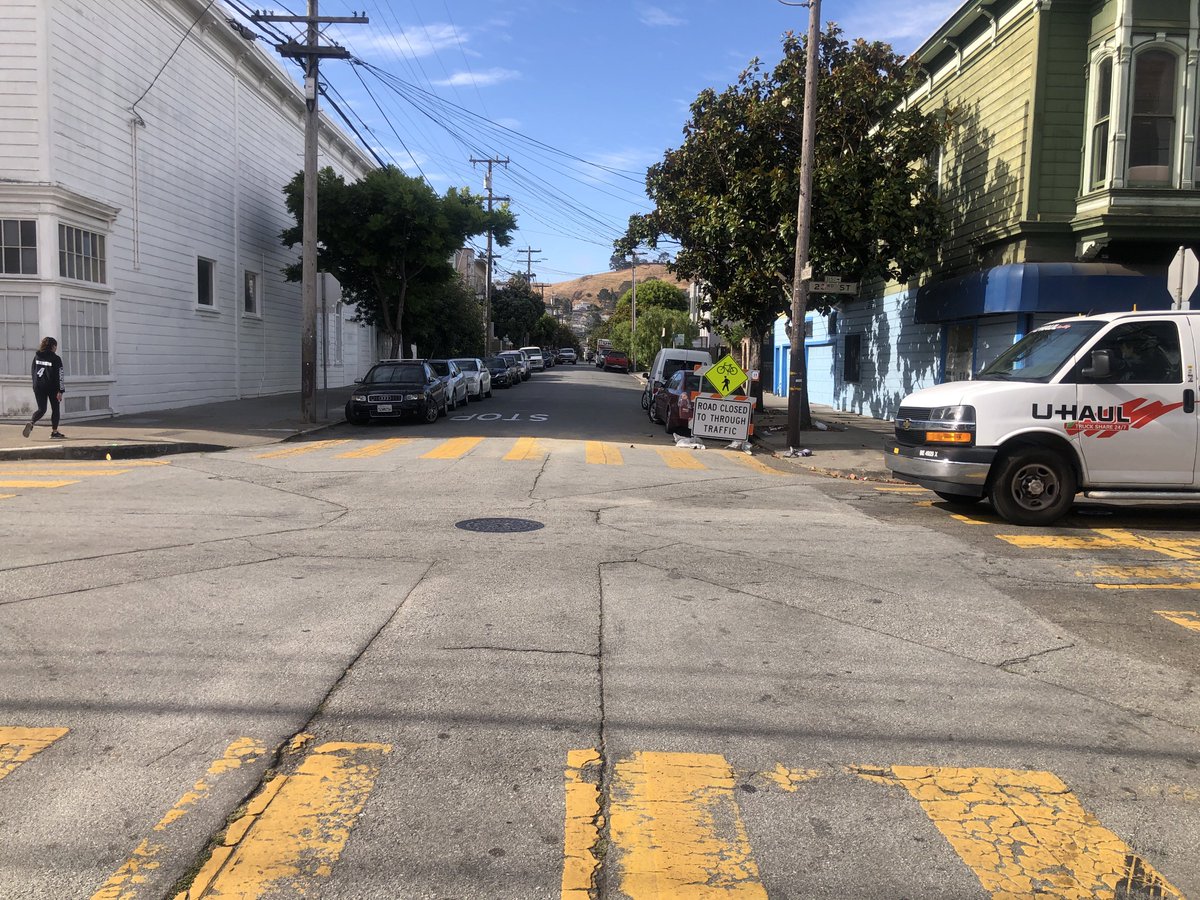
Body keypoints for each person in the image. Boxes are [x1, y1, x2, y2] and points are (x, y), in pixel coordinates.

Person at [22, 337, 65, 439]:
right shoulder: (56, 359)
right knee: (55, 409)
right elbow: (60, 375)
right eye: (55, 346)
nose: (56, 348)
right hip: (52, 387)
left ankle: (32, 422)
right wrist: (60, 390)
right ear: (53, 346)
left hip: (38, 386)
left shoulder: (37, 357)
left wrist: (35, 384)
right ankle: (54, 432)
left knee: (41, 409)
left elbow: (33, 371)